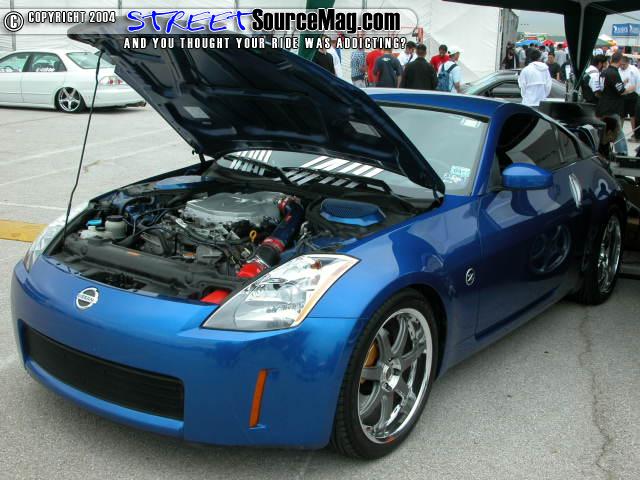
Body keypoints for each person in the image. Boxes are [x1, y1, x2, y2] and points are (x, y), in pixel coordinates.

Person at [597, 52, 635, 156]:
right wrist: (631, 89)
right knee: (618, 132)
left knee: (607, 132)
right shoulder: (613, 73)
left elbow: (604, 88)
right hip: (612, 107)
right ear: (620, 61)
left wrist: (623, 83)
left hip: (603, 106)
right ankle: (623, 154)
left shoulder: (604, 72)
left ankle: (604, 152)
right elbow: (621, 91)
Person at [619, 55, 639, 140]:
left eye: (624, 64)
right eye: (621, 64)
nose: (622, 66)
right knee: (621, 115)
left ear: (628, 63)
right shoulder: (618, 69)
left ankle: (635, 134)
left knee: (633, 115)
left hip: (633, 95)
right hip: (622, 94)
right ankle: (619, 134)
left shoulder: (634, 70)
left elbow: (638, 82)